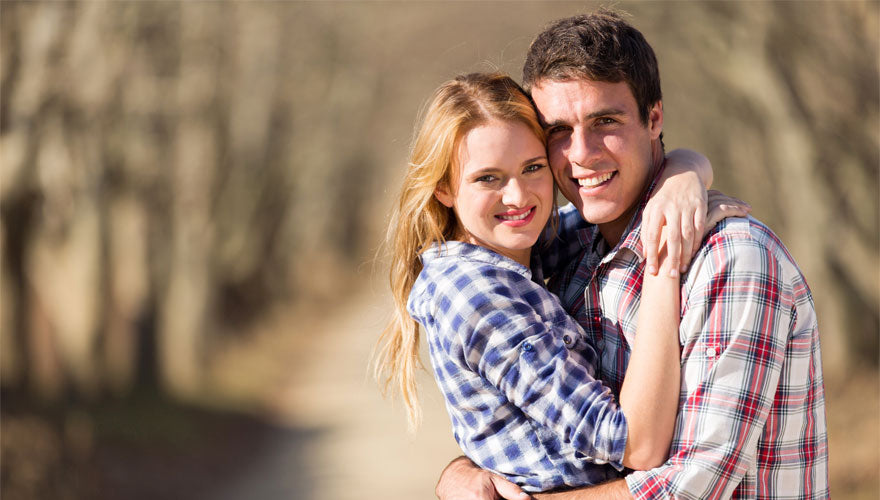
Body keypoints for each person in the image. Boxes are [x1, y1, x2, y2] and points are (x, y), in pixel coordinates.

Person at [436, 11, 829, 500]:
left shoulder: (733, 260)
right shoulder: (567, 250)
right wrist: (460, 475)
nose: (581, 153)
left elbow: (692, 486)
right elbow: (526, 421)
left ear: (654, 118)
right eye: (558, 130)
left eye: (605, 121)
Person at [374, 72, 748, 493]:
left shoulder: (518, 253)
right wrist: (664, 264)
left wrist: (684, 172)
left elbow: (603, 222)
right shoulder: (479, 297)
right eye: (488, 178)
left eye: (532, 168)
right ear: (442, 187)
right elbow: (632, 444)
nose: (518, 197)